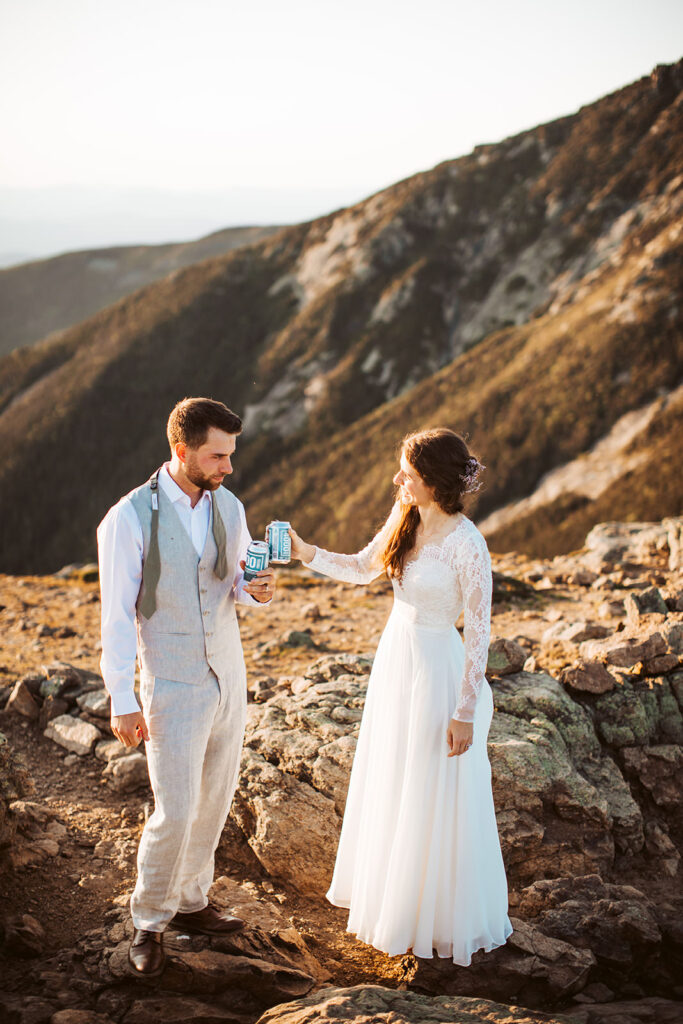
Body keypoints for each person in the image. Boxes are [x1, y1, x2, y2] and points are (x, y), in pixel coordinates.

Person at [289, 428, 512, 965]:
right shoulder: (404, 517)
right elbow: (363, 569)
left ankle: (435, 918)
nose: (397, 480)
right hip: (397, 661)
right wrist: (303, 552)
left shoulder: (467, 544)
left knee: (433, 788)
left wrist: (465, 711)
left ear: (433, 481)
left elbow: (479, 632)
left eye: (406, 474)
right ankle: (397, 902)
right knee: (396, 779)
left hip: (438, 670)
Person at [97, 397, 275, 978]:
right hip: (171, 681)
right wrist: (122, 700)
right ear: (182, 451)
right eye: (217, 456)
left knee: (216, 799)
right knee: (175, 808)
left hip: (230, 673)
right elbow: (118, 618)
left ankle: (193, 901)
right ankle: (149, 920)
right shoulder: (127, 518)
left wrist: (257, 589)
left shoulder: (231, 506)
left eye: (230, 454)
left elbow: (236, 584)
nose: (228, 467)